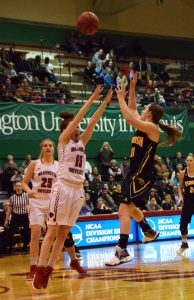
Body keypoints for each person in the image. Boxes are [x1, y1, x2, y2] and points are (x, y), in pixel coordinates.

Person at [33, 86, 113, 289]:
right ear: (66, 129)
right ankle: (40, 269)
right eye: (73, 127)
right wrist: (93, 97)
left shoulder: (82, 142)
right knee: (51, 232)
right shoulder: (62, 141)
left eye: (77, 128)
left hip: (77, 191)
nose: (77, 129)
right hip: (62, 188)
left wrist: (105, 102)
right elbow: (80, 117)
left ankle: (49, 268)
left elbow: (93, 120)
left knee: (63, 234)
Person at [105, 72, 182, 266]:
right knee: (130, 208)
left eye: (145, 107)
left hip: (142, 176)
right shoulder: (144, 125)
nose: (141, 109)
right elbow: (131, 110)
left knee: (123, 211)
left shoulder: (152, 128)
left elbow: (129, 117)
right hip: (134, 174)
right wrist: (132, 87)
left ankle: (121, 250)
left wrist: (119, 98)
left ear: (150, 113)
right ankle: (148, 230)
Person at [22, 139, 82, 280]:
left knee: (65, 234)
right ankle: (33, 267)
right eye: (45, 145)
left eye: (50, 145)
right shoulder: (34, 164)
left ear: (54, 149)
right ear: (42, 148)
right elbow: (23, 182)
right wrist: (29, 191)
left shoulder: (59, 165)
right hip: (37, 201)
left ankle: (73, 260)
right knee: (35, 233)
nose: (47, 147)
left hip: (55, 201)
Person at [177, 154, 194, 255]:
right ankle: (184, 244)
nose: (189, 162)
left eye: (191, 160)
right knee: (183, 224)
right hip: (188, 201)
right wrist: (180, 196)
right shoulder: (183, 173)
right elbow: (179, 187)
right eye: (187, 160)